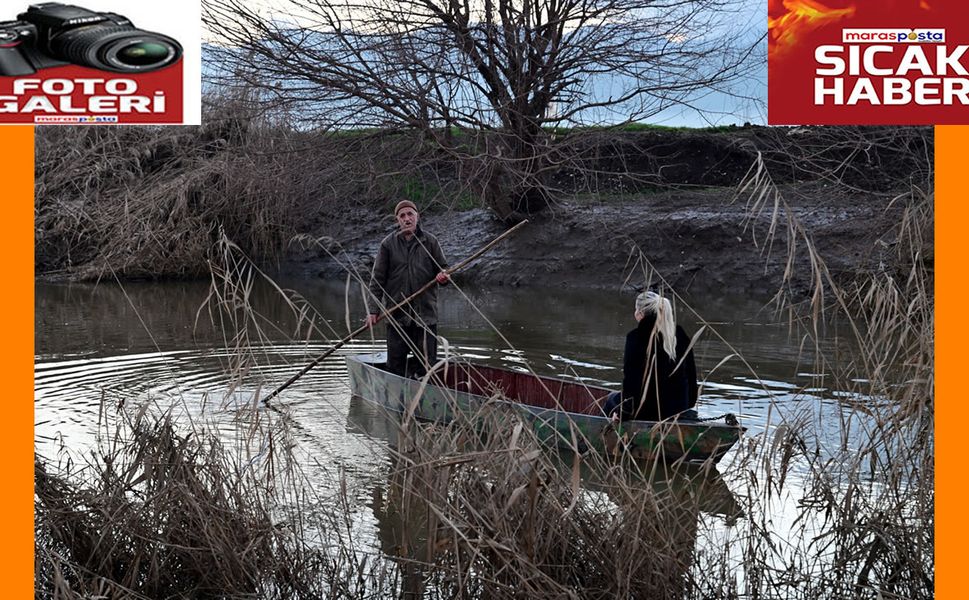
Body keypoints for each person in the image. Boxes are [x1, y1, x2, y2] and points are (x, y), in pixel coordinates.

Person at [366, 200, 449, 377]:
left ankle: (424, 391)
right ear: (397, 220)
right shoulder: (387, 245)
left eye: (410, 214)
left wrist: (443, 276)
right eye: (402, 216)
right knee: (395, 367)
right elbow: (377, 281)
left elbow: (443, 269)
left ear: (417, 216)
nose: (407, 219)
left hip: (425, 316)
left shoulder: (430, 242)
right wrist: (373, 310)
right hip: (397, 317)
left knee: (427, 367)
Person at [603, 291, 698, 421]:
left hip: (647, 411)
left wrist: (622, 413)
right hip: (679, 410)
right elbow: (691, 378)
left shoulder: (636, 337)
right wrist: (685, 408)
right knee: (615, 397)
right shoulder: (679, 335)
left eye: (636, 309)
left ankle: (600, 431)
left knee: (610, 399)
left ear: (640, 313)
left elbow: (632, 382)